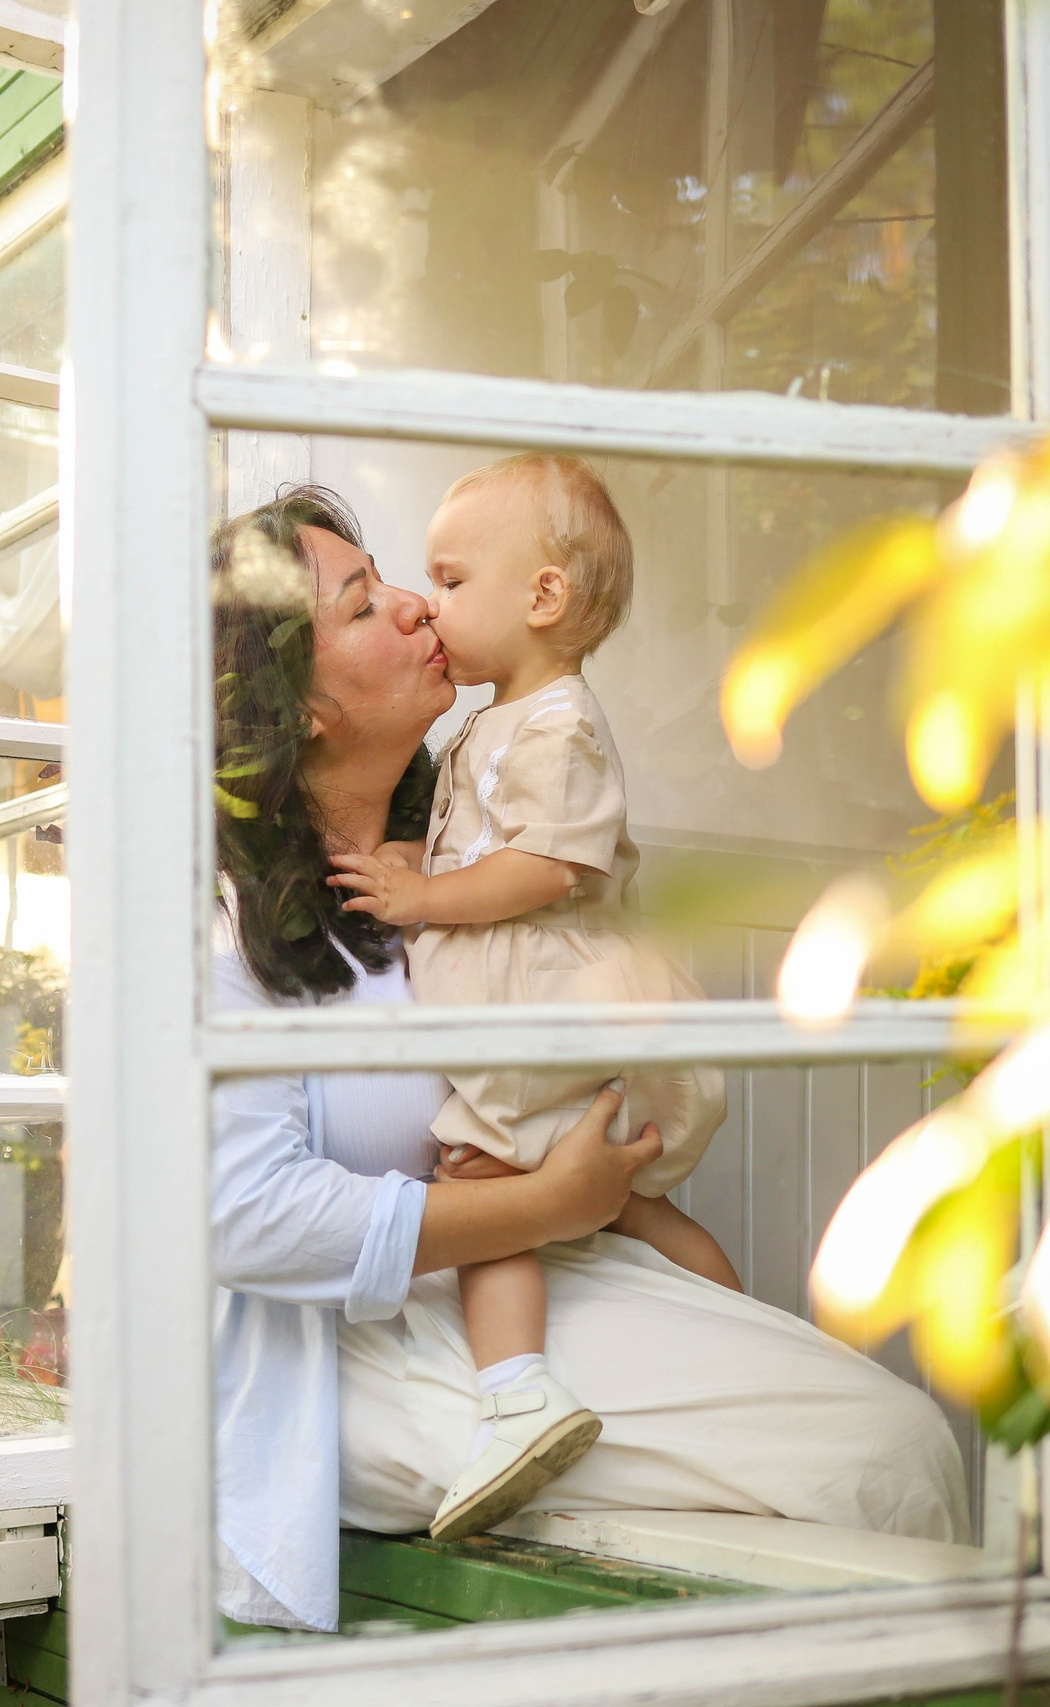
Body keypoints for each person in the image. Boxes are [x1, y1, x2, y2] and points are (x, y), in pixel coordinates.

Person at [207, 484, 970, 1637]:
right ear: (297, 707)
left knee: (884, 1442)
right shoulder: (226, 932)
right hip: (356, 1350)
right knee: (877, 1453)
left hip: (534, 1271)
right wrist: (546, 1202)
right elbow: (246, 1220)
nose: (414, 604)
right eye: (362, 604)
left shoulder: (469, 856)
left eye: (401, 580)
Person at [326, 454, 731, 1543]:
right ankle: (733, 1314)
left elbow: (548, 868)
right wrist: (417, 860)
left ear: (543, 596)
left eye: (450, 581)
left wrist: (423, 896)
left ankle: (516, 1394)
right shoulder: (501, 719)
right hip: (525, 998)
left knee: (484, 1177)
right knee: (627, 1198)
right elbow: (486, 841)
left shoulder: (559, 724)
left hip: (535, 1003)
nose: (429, 604)